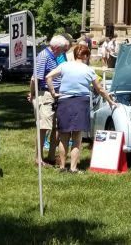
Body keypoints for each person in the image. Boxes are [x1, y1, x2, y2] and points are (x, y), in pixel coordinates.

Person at [46, 45, 117, 172]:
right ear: (85, 56)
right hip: (80, 103)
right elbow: (99, 89)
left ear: (74, 55)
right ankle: (73, 168)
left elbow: (48, 77)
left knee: (63, 136)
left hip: (64, 102)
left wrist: (53, 92)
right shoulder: (88, 70)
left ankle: (62, 167)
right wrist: (110, 101)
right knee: (77, 138)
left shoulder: (64, 66)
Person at [27, 35, 70, 166]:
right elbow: (35, 79)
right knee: (43, 127)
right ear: (56, 48)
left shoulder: (55, 56)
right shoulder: (44, 56)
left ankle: (51, 157)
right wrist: (32, 93)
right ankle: (38, 159)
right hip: (45, 95)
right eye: (63, 50)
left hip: (56, 94)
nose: (64, 52)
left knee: (55, 127)